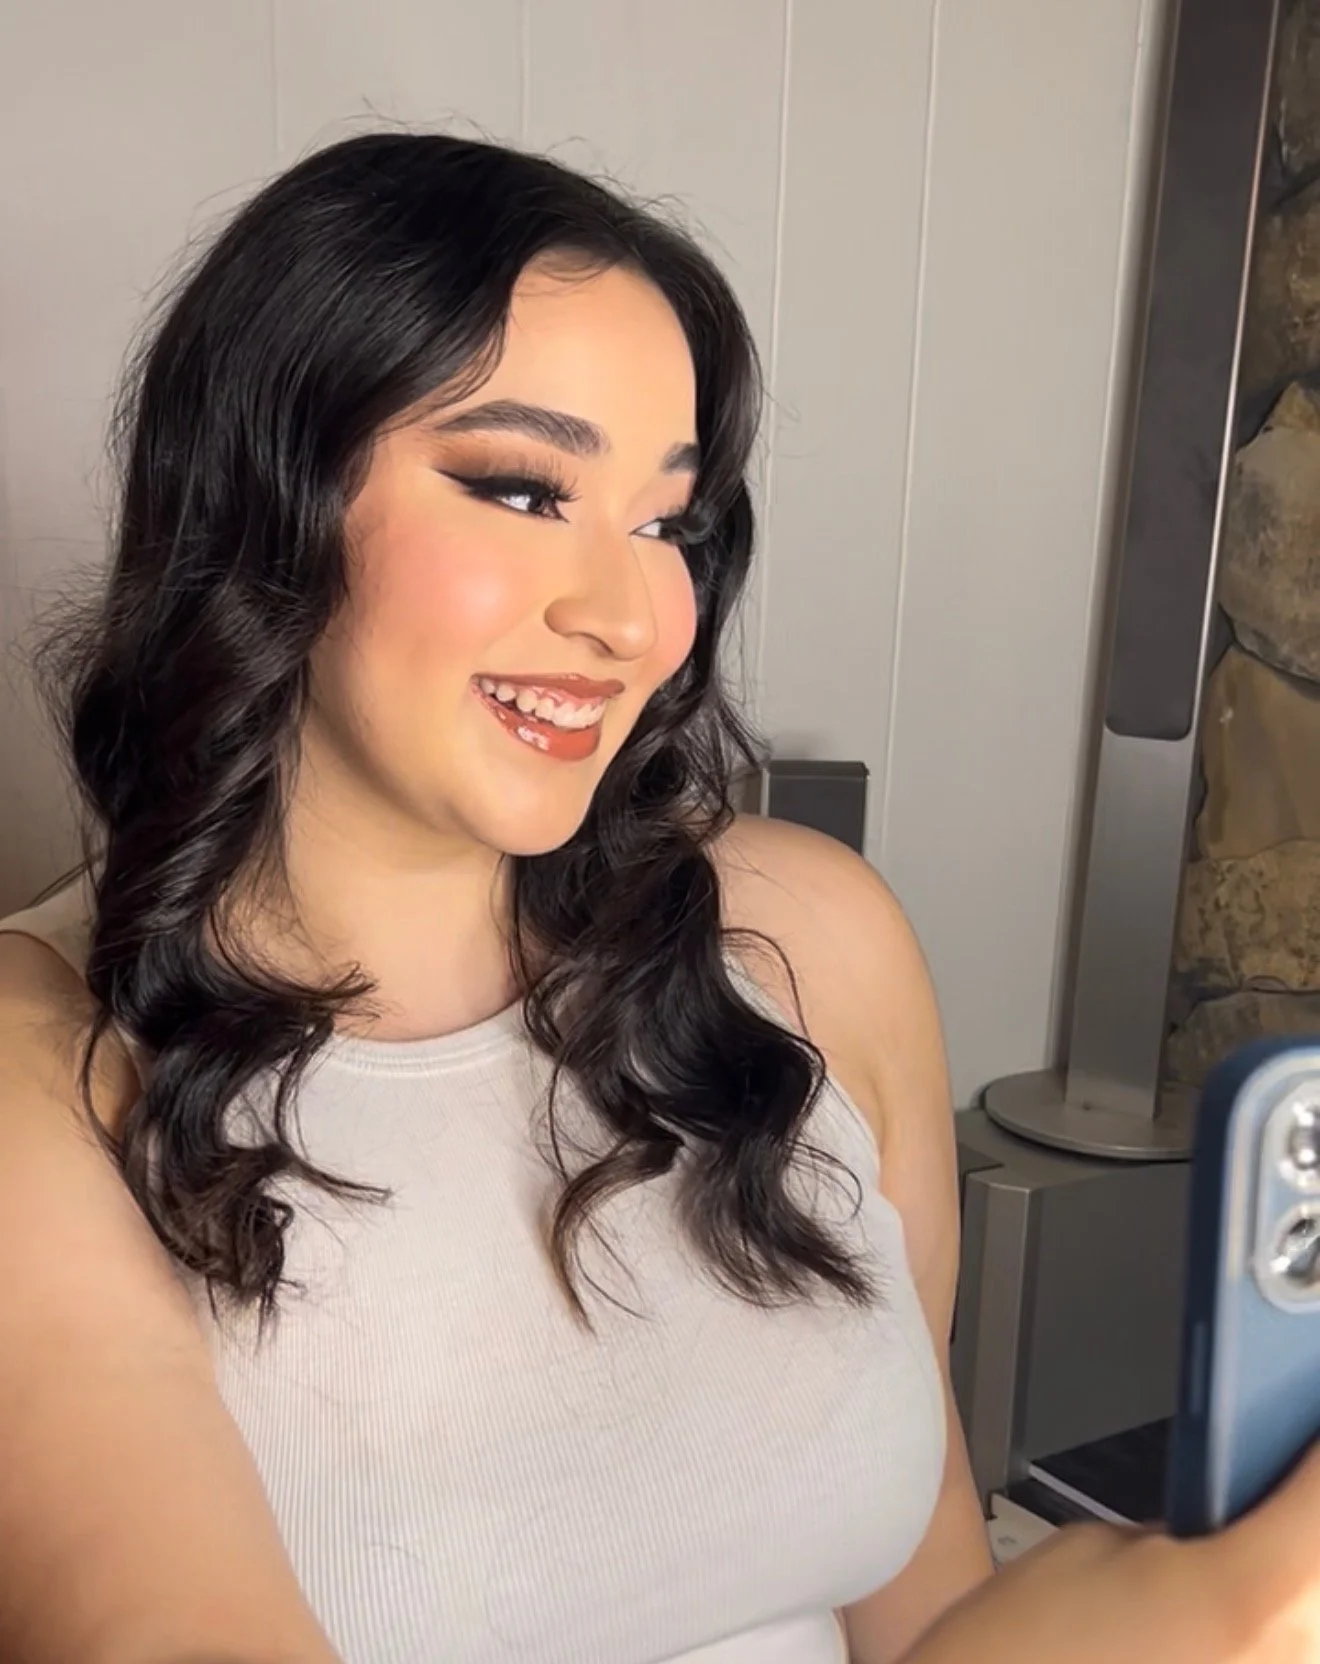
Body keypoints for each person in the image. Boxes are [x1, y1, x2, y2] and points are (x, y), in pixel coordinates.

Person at [0, 130, 1315, 1664]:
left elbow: (920, 1611)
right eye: (521, 489)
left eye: (666, 523)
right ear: (262, 500)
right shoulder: (51, 1076)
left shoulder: (812, 942)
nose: (627, 618)